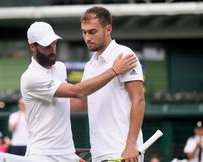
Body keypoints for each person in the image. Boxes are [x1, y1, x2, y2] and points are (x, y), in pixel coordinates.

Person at [20, 21, 137, 162]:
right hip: (41, 155)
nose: (52, 50)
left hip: (67, 154)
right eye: (46, 46)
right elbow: (77, 91)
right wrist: (114, 71)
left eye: (54, 44)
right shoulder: (31, 77)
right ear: (32, 46)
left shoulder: (60, 68)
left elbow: (77, 104)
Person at [71, 6, 146, 162]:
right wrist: (47, 102)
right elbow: (82, 104)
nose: (87, 37)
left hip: (124, 151)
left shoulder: (125, 54)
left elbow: (139, 100)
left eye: (92, 32)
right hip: (99, 152)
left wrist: (131, 144)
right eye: (84, 32)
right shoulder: (90, 65)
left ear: (108, 29)